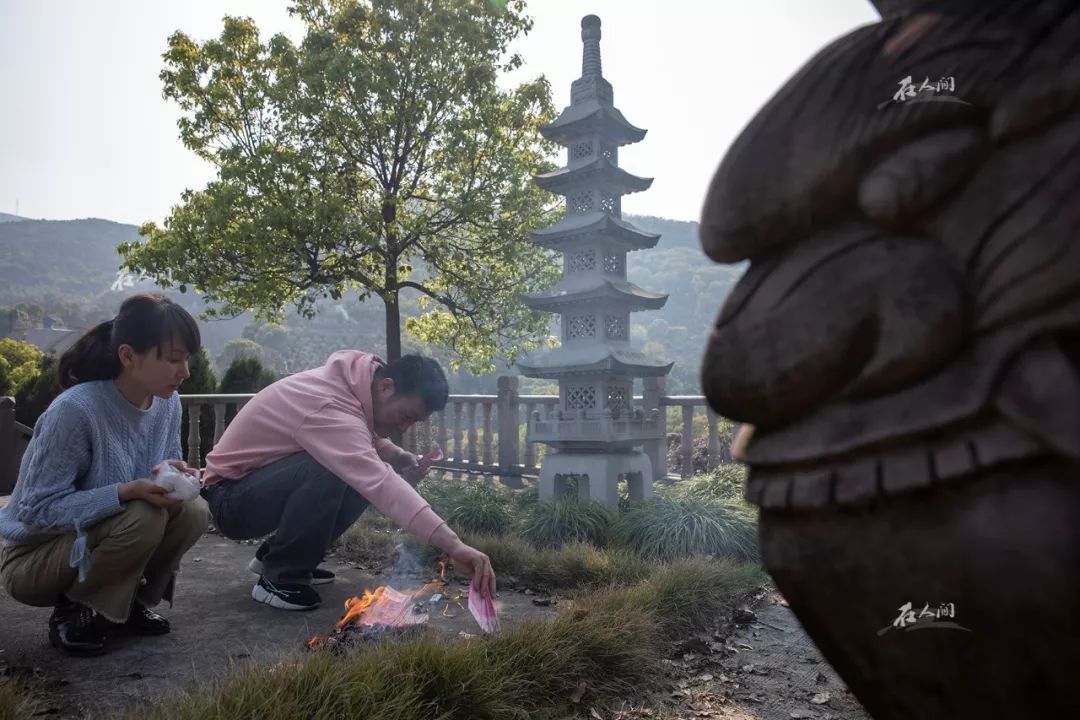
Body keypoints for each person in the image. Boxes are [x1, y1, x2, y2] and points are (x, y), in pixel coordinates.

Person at [200, 351, 496, 611]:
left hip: (251, 489)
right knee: (332, 468)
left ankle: (280, 556)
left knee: (355, 470)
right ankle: (280, 578)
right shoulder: (327, 405)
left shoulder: (354, 387)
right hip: (229, 499)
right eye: (406, 415)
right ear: (386, 387)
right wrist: (454, 545)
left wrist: (399, 456)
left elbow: (362, 437)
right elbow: (378, 479)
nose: (404, 427)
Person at [0, 294, 209, 657]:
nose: (185, 371)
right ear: (128, 356)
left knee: (193, 511)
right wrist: (125, 491)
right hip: (35, 558)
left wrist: (175, 476)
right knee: (142, 516)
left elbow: (161, 467)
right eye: (174, 359)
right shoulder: (75, 411)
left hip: (100, 537)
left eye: (187, 358)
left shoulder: (167, 404)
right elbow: (36, 510)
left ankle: (127, 604)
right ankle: (75, 611)